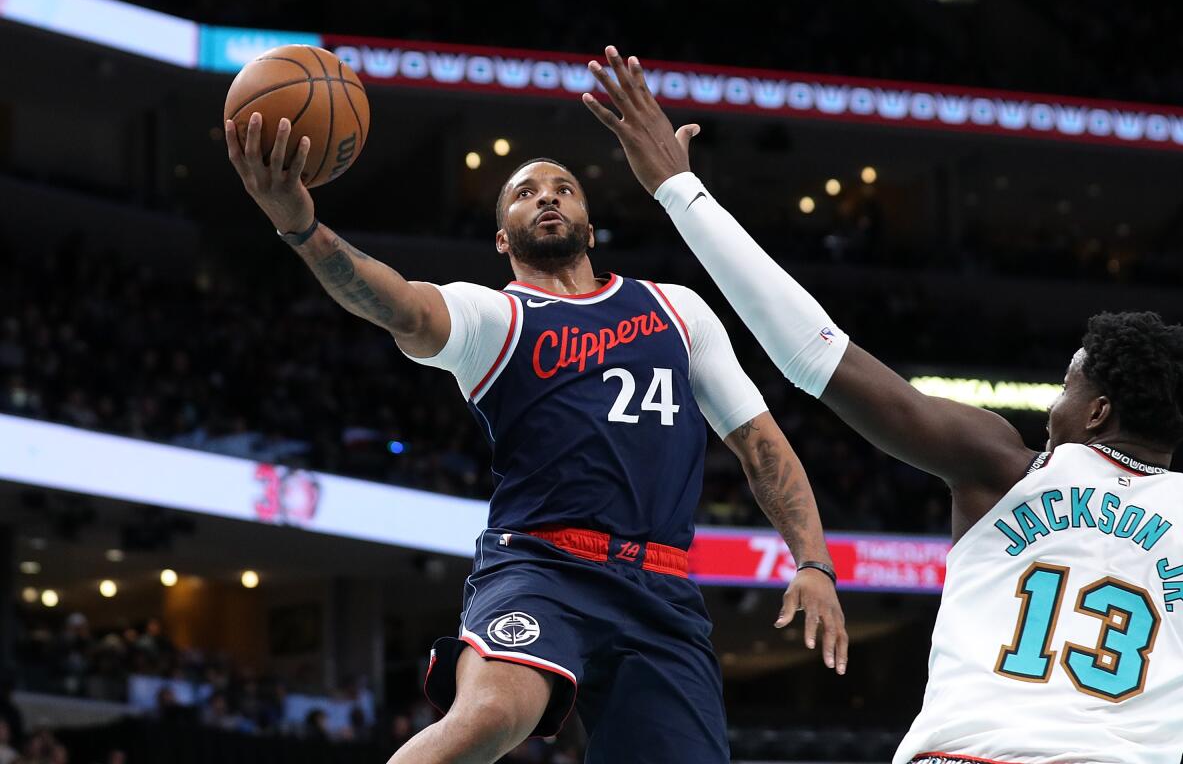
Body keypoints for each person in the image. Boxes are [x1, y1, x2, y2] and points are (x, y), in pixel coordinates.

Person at [584, 45, 1183, 764]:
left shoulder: (1008, 466)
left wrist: (680, 192)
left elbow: (815, 353)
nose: (1054, 409)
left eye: (1068, 387)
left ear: (1097, 413)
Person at [225, 106, 850, 763]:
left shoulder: (676, 308)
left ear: (589, 224)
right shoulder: (493, 316)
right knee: (492, 715)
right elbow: (398, 304)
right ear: (502, 238)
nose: (546, 195)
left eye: (563, 188)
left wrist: (812, 561)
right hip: (544, 566)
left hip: (662, 590)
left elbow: (760, 443)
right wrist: (300, 225)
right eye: (525, 193)